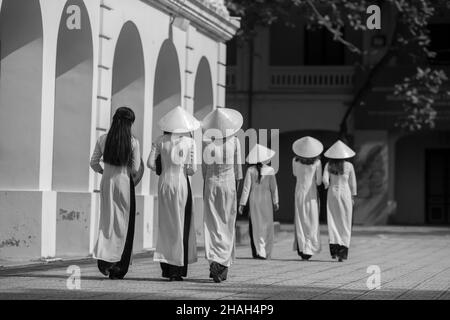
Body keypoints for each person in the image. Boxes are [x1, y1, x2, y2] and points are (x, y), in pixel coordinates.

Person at [90, 106, 144, 279]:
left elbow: (93, 163)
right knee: (124, 224)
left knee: (107, 221)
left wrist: (104, 172)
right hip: (124, 183)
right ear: (130, 123)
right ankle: (119, 266)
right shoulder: (133, 141)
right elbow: (135, 169)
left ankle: (105, 262)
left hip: (107, 183)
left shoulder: (103, 139)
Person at [148, 106, 200, 281]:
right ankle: (177, 269)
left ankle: (167, 267)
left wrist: (162, 169)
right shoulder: (190, 142)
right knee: (180, 225)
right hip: (181, 184)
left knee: (166, 226)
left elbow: (149, 163)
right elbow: (192, 170)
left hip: (164, 184)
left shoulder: (160, 140)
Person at [202, 107, 243, 283]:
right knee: (227, 224)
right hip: (228, 185)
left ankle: (214, 260)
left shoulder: (206, 142)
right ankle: (222, 264)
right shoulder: (235, 141)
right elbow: (239, 172)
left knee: (211, 224)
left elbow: (204, 171)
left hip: (211, 184)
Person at [239, 144, 279, 260]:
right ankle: (266, 251)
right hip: (266, 200)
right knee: (267, 225)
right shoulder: (270, 170)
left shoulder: (250, 170)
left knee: (256, 226)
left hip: (254, 200)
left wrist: (242, 203)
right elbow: (274, 187)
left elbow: (246, 188)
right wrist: (276, 201)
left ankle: (259, 251)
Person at [323, 140, 357, 262]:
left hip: (332, 193)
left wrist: (329, 184)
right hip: (346, 194)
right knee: (345, 222)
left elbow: (325, 182)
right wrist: (353, 196)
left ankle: (335, 250)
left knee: (333, 220)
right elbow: (352, 184)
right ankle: (343, 253)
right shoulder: (349, 166)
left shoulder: (328, 165)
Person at [292, 136, 323, 261]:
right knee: (312, 220)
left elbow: (294, 174)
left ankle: (302, 248)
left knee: (300, 220)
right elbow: (319, 181)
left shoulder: (295, 160)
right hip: (312, 193)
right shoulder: (317, 162)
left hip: (299, 191)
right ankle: (310, 248)